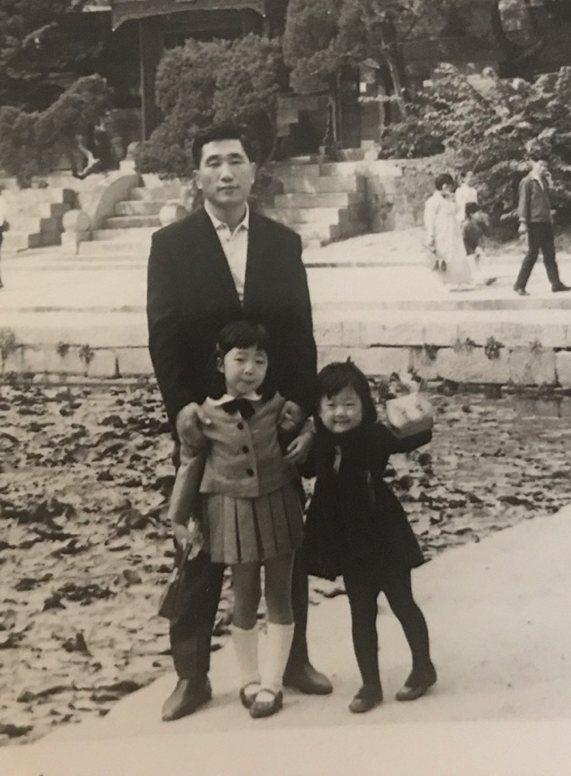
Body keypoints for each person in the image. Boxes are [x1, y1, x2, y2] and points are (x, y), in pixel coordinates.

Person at [147, 122, 331, 723]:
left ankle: (292, 661)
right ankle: (192, 674)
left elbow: (301, 331)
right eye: (213, 162)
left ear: (253, 169)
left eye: (236, 160)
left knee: (283, 542)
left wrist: (301, 403)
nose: (225, 173)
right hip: (207, 424)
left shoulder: (282, 242)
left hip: (274, 420)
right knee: (200, 550)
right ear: (197, 175)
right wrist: (181, 408)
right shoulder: (171, 246)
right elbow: (163, 336)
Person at [168, 320, 313, 719]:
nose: (250, 369)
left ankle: (273, 682)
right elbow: (190, 464)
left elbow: (308, 427)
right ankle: (249, 678)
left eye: (259, 361)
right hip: (230, 512)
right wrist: (178, 517)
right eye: (241, 359)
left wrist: (310, 433)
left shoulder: (279, 407)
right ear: (220, 363)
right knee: (244, 595)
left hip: (277, 505)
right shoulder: (202, 416)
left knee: (279, 594)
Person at [299, 361, 436, 714]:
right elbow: (302, 467)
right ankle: (370, 684)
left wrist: (412, 402)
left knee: (402, 602)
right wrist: (299, 431)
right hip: (349, 545)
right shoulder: (319, 443)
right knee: (361, 613)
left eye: (350, 404)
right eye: (331, 405)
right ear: (318, 410)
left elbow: (416, 434)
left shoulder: (375, 437)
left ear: (365, 407)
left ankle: (423, 667)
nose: (340, 413)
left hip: (384, 537)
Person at [513, 150, 571, 295]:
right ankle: (519, 285)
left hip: (545, 221)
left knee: (550, 253)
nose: (543, 168)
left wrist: (550, 182)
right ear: (533, 165)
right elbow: (523, 202)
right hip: (534, 222)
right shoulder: (527, 182)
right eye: (540, 165)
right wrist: (523, 222)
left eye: (545, 166)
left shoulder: (543, 181)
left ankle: (556, 283)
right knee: (532, 254)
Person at [422, 175, 473, 291]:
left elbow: (457, 210)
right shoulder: (433, 201)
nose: (451, 189)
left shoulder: (449, 200)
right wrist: (431, 235)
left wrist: (453, 200)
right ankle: (444, 282)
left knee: (457, 255)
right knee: (445, 256)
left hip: (453, 231)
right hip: (441, 232)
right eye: (450, 187)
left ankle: (459, 280)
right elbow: (429, 219)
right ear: (444, 186)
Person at [460, 201, 498, 287]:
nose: (480, 214)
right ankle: (479, 279)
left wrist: (486, 224)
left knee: (485, 260)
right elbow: (463, 240)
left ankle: (487, 277)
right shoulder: (466, 225)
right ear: (471, 214)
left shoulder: (480, 223)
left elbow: (489, 234)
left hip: (476, 246)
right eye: (478, 213)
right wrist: (472, 252)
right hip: (467, 249)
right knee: (472, 264)